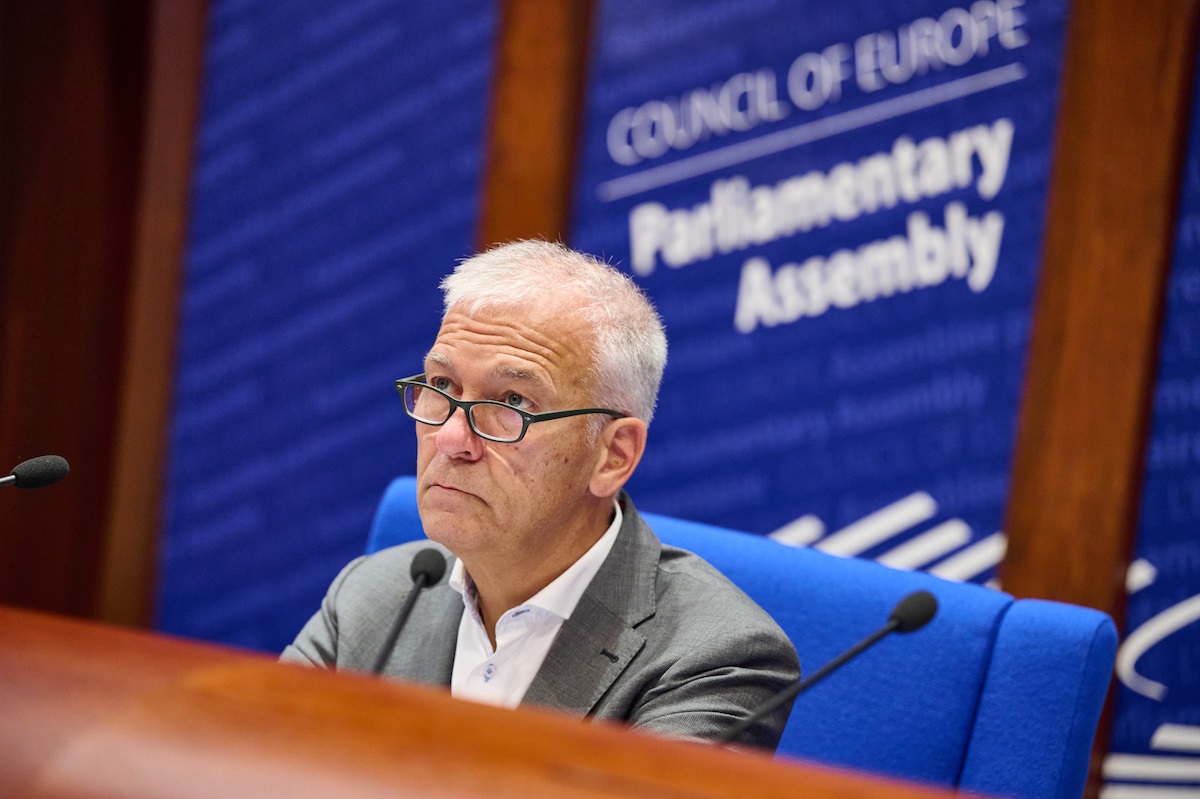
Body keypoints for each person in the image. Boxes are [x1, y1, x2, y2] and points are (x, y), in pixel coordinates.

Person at [282, 240, 799, 749]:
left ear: (613, 455)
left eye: (512, 402)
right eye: (442, 386)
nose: (451, 439)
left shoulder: (714, 658)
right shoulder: (369, 599)